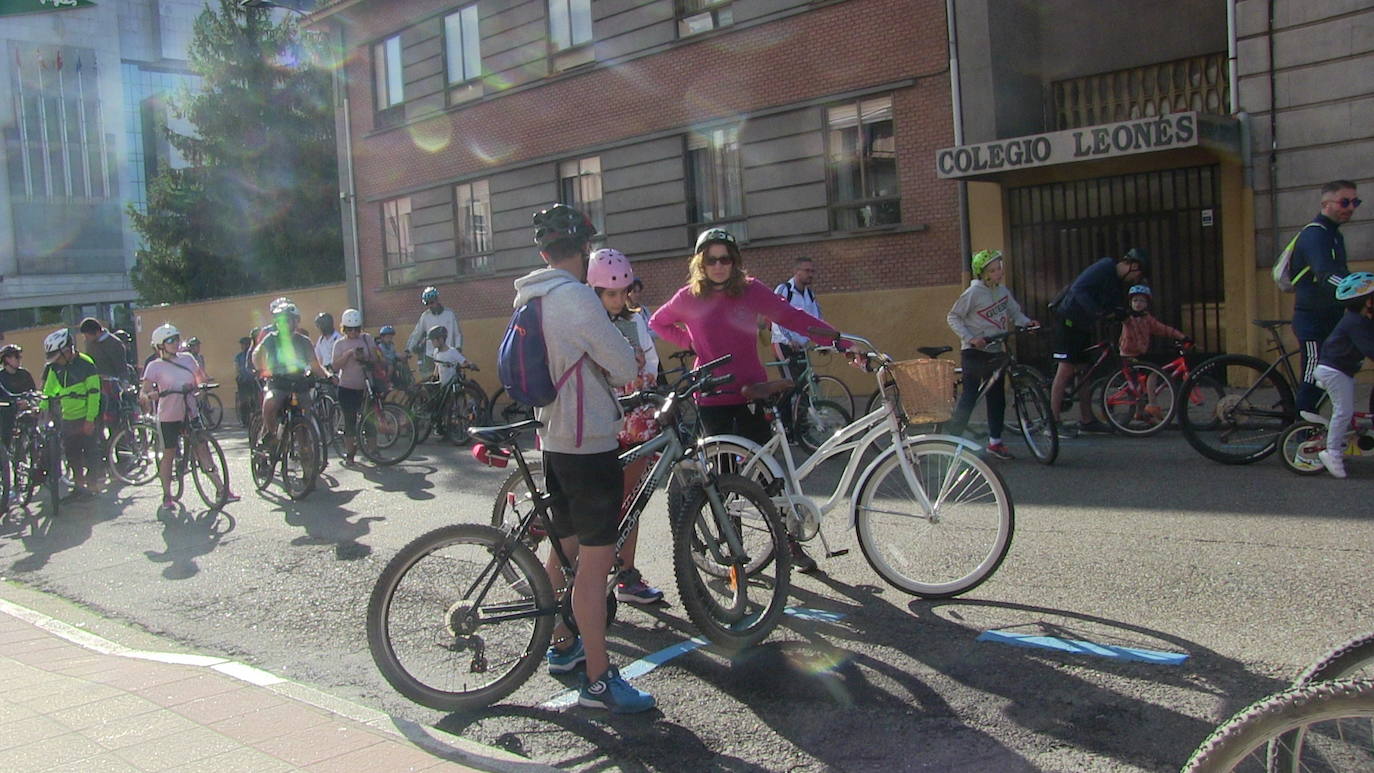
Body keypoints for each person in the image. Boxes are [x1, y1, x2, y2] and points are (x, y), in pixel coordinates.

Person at [516, 203, 649, 713]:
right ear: (585, 249)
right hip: (589, 442)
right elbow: (620, 365)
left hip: (553, 440)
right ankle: (598, 681)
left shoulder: (531, 296)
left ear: (542, 251)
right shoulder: (574, 298)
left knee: (564, 552)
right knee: (594, 570)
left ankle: (562, 648)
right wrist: (622, 356)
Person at [649, 227, 842, 573]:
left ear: (734, 262)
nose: (719, 266)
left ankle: (789, 542)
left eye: (725, 258)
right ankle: (732, 550)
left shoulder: (750, 290)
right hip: (712, 395)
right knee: (722, 479)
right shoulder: (688, 297)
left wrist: (837, 339)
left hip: (752, 391)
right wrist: (690, 344)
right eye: (711, 259)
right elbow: (657, 322)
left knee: (768, 474)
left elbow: (792, 317)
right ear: (701, 263)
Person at [587, 247, 663, 605]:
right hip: (601, 425)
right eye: (610, 294)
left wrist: (643, 378)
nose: (618, 300)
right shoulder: (587, 322)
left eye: (622, 293)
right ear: (597, 293)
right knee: (605, 503)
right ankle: (593, 577)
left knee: (632, 501)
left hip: (636, 422)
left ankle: (625, 574)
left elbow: (651, 361)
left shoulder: (636, 321)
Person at [945, 249, 1037, 460]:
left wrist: (1027, 322)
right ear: (983, 274)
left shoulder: (1002, 291)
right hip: (975, 352)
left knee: (997, 397)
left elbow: (1014, 312)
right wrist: (970, 337)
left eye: (1000, 268)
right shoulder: (973, 294)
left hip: (996, 349)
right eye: (993, 270)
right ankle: (951, 442)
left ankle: (995, 442)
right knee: (970, 396)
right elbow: (953, 317)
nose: (999, 273)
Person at [1049, 247, 1149, 435]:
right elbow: (1079, 289)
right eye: (1137, 275)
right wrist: (1097, 312)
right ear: (1133, 266)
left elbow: (1114, 305)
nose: (1135, 280)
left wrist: (1125, 314)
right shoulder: (1105, 267)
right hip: (1069, 321)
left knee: (1084, 372)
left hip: (1083, 325)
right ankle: (1053, 423)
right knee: (1066, 369)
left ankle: (1087, 421)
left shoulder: (1117, 282)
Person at [141, 323, 238, 509]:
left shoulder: (187, 358)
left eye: (177, 338)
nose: (176, 343)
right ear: (160, 345)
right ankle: (167, 496)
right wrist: (147, 397)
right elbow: (144, 391)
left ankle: (221, 489)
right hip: (169, 416)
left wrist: (200, 388)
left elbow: (199, 378)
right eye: (170, 340)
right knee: (168, 453)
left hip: (190, 411)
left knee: (203, 447)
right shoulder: (154, 366)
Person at [1291, 180, 1357, 416]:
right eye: (1344, 201)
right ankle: (1302, 437)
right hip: (1312, 320)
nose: (1350, 207)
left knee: (1333, 373)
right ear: (1325, 203)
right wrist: (1360, 294)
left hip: (1332, 317)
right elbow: (1326, 275)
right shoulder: (1315, 234)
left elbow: (1343, 274)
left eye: (1355, 202)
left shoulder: (1334, 235)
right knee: (1312, 376)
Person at [1309, 273, 1374, 479]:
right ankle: (1332, 453)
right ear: (1368, 301)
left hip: (1340, 370)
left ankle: (1339, 444)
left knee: (1346, 411)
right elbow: (1371, 349)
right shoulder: (1355, 322)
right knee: (1343, 411)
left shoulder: (1359, 319)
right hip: (1334, 371)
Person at [252, 298, 325, 448]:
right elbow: (257, 355)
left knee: (306, 411)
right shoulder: (270, 339)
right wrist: (261, 368)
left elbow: (315, 364)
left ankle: (306, 451)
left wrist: (329, 377)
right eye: (280, 321)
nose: (284, 324)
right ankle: (270, 434)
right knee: (270, 402)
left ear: (295, 322)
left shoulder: (304, 341)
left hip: (299, 383)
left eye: (287, 321)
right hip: (278, 382)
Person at [40, 329, 101, 499]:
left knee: (90, 452)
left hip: (86, 416)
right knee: (72, 454)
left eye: (57, 356)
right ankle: (79, 487)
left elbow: (94, 393)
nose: (56, 361)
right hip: (68, 417)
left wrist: (90, 419)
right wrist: (43, 407)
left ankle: (93, 486)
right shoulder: (55, 367)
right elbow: (49, 390)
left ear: (67, 350)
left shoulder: (86, 364)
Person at [1117, 285, 1190, 423]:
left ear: (1147, 304)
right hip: (1128, 354)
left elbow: (1162, 329)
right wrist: (1123, 314)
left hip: (1140, 353)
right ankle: (1152, 404)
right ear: (1130, 303)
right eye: (1135, 301)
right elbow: (1124, 319)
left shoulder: (1147, 318)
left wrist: (1182, 337)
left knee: (1140, 385)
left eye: (1142, 301)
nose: (1138, 304)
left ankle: (1139, 413)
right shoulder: (1129, 318)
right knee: (1153, 372)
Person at [331, 309, 379, 466]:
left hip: (366, 387)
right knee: (350, 422)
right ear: (344, 328)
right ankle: (350, 454)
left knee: (370, 421)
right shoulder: (339, 344)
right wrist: (348, 354)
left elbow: (374, 359)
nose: (353, 333)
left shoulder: (367, 339)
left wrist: (364, 357)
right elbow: (335, 366)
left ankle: (373, 450)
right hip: (347, 388)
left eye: (356, 329)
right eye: (350, 329)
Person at [771, 257, 822, 378]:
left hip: (801, 346)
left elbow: (817, 319)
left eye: (812, 271)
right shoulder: (784, 289)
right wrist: (789, 340)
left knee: (804, 383)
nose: (810, 274)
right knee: (790, 383)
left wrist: (821, 340)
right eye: (807, 271)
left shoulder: (809, 294)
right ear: (796, 271)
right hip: (783, 344)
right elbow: (776, 317)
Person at [405, 286, 462, 371]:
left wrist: (458, 347)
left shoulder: (449, 314)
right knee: (430, 380)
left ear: (437, 300)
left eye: (432, 302)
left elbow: (457, 334)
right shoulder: (425, 316)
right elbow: (416, 334)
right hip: (431, 356)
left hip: (448, 354)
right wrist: (408, 349)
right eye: (427, 304)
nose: (430, 306)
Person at [0, 344, 36, 452]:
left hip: (25, 411)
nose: (19, 359)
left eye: (19, 356)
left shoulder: (25, 374)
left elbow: (32, 392)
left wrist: (30, 402)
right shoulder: (1, 377)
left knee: (36, 429)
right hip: (7, 414)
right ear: (6, 359)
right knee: (5, 432)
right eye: (16, 356)